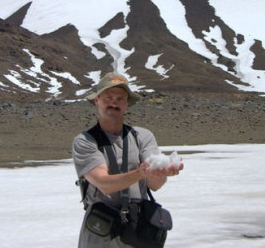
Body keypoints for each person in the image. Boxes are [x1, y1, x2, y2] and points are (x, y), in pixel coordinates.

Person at [72, 72, 183, 247]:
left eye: (120, 98)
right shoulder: (85, 141)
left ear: (126, 104)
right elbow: (104, 183)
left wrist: (161, 172)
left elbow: (155, 184)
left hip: (137, 226)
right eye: (108, 97)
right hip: (101, 229)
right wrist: (141, 173)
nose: (114, 102)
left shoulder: (142, 136)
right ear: (97, 100)